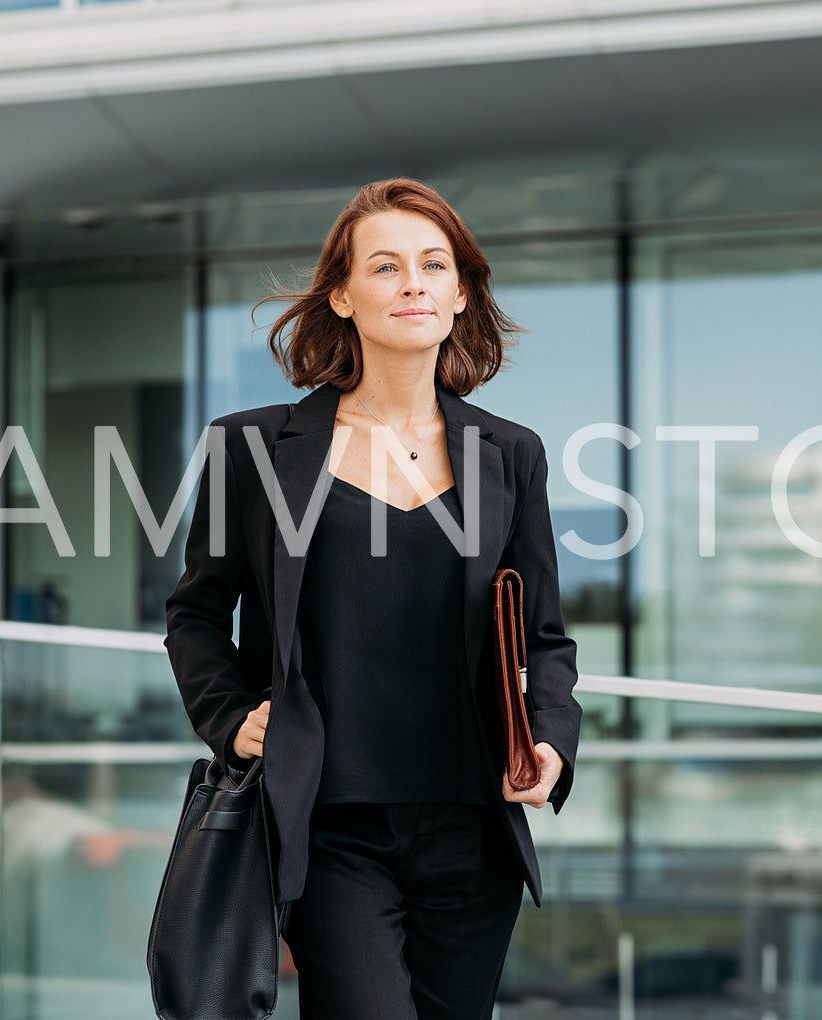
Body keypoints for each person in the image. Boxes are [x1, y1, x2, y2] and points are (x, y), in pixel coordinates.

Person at [163, 177, 583, 1019]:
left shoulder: (511, 454)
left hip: (474, 822)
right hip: (330, 822)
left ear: (461, 294)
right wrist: (230, 714)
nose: (413, 283)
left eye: (434, 265)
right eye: (386, 267)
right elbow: (196, 612)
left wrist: (550, 743)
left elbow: (544, 636)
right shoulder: (250, 449)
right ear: (345, 297)